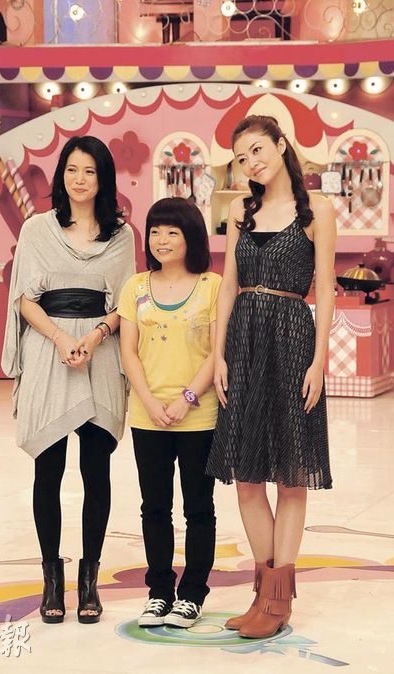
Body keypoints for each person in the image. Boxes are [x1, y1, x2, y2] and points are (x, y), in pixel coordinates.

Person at [206, 115, 335, 638]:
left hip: (292, 339)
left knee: (291, 474)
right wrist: (218, 355)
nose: (251, 163)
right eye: (242, 158)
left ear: (282, 145)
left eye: (257, 150)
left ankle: (278, 603)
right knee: (246, 475)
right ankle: (263, 594)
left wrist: (319, 360)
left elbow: (324, 287)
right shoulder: (240, 210)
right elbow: (227, 286)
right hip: (244, 341)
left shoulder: (317, 210)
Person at [1, 135, 135, 624]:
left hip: (100, 352)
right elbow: (25, 299)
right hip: (48, 349)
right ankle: (52, 580)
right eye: (72, 170)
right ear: (61, 176)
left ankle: (90, 580)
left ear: (103, 179)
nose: (80, 180)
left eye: (90, 171)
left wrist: (96, 336)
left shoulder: (122, 236)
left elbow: (125, 302)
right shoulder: (37, 229)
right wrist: (60, 338)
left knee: (97, 472)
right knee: (49, 469)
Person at [118, 197, 220, 628]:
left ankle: (192, 594)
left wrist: (186, 400)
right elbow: (128, 351)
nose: (161, 240)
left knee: (198, 507)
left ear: (190, 237)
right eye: (155, 231)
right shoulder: (135, 287)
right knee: (154, 507)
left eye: (172, 232)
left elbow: (217, 352)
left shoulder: (212, 286)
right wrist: (149, 401)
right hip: (148, 416)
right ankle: (159, 592)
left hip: (198, 415)